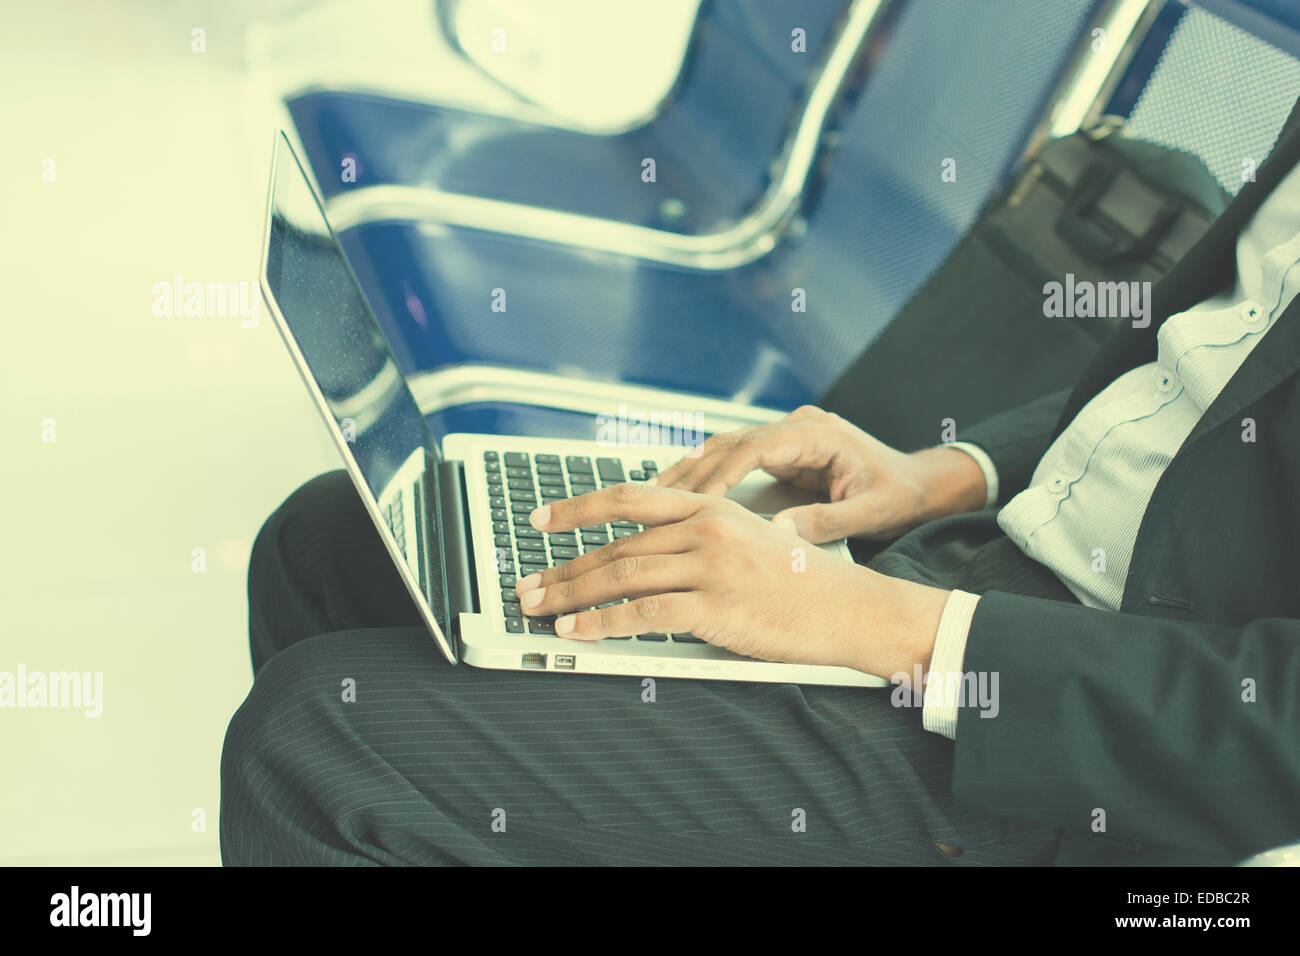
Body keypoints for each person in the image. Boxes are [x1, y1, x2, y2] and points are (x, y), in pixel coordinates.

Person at [220, 106, 1300, 867]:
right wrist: (941, 472)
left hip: (1067, 737)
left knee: (320, 751)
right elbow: (1197, 380)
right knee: (329, 548)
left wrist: (887, 625)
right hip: (980, 561)